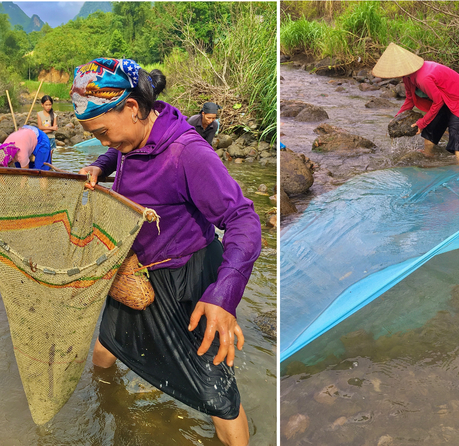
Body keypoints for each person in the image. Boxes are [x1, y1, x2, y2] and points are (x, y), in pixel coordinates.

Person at [72, 58, 261, 446]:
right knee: (105, 351)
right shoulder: (134, 134)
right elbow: (121, 153)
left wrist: (223, 298)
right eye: (95, 136)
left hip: (185, 284)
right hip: (136, 276)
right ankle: (108, 408)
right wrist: (99, 163)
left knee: (218, 396)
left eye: (104, 132)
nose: (104, 141)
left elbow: (244, 220)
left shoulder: (187, 153)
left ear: (132, 108)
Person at [373, 42, 459, 162]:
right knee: (431, 127)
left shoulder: (423, 78)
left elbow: (438, 101)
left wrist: (422, 123)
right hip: (443, 96)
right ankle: (428, 155)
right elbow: (410, 100)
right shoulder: (407, 77)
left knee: (456, 130)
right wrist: (396, 119)